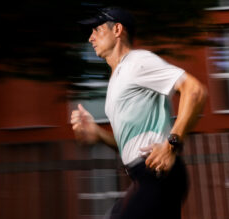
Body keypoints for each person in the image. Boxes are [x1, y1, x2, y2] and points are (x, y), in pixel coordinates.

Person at [71, 6, 207, 219]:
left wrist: (172, 144)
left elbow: (195, 90)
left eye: (96, 30)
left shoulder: (138, 62)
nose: (90, 38)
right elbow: (129, 145)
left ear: (117, 30)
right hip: (145, 176)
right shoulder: (116, 80)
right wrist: (97, 133)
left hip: (157, 174)